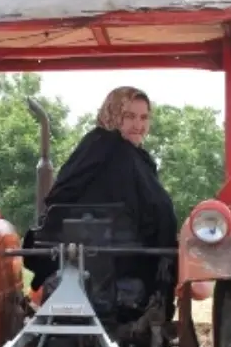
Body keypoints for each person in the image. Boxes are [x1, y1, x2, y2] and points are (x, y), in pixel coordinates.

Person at [23, 86, 179, 317]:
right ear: (114, 114)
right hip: (126, 262)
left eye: (144, 117)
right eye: (130, 116)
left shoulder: (89, 147)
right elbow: (162, 211)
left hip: (71, 262)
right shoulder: (130, 157)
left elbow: (57, 201)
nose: (138, 125)